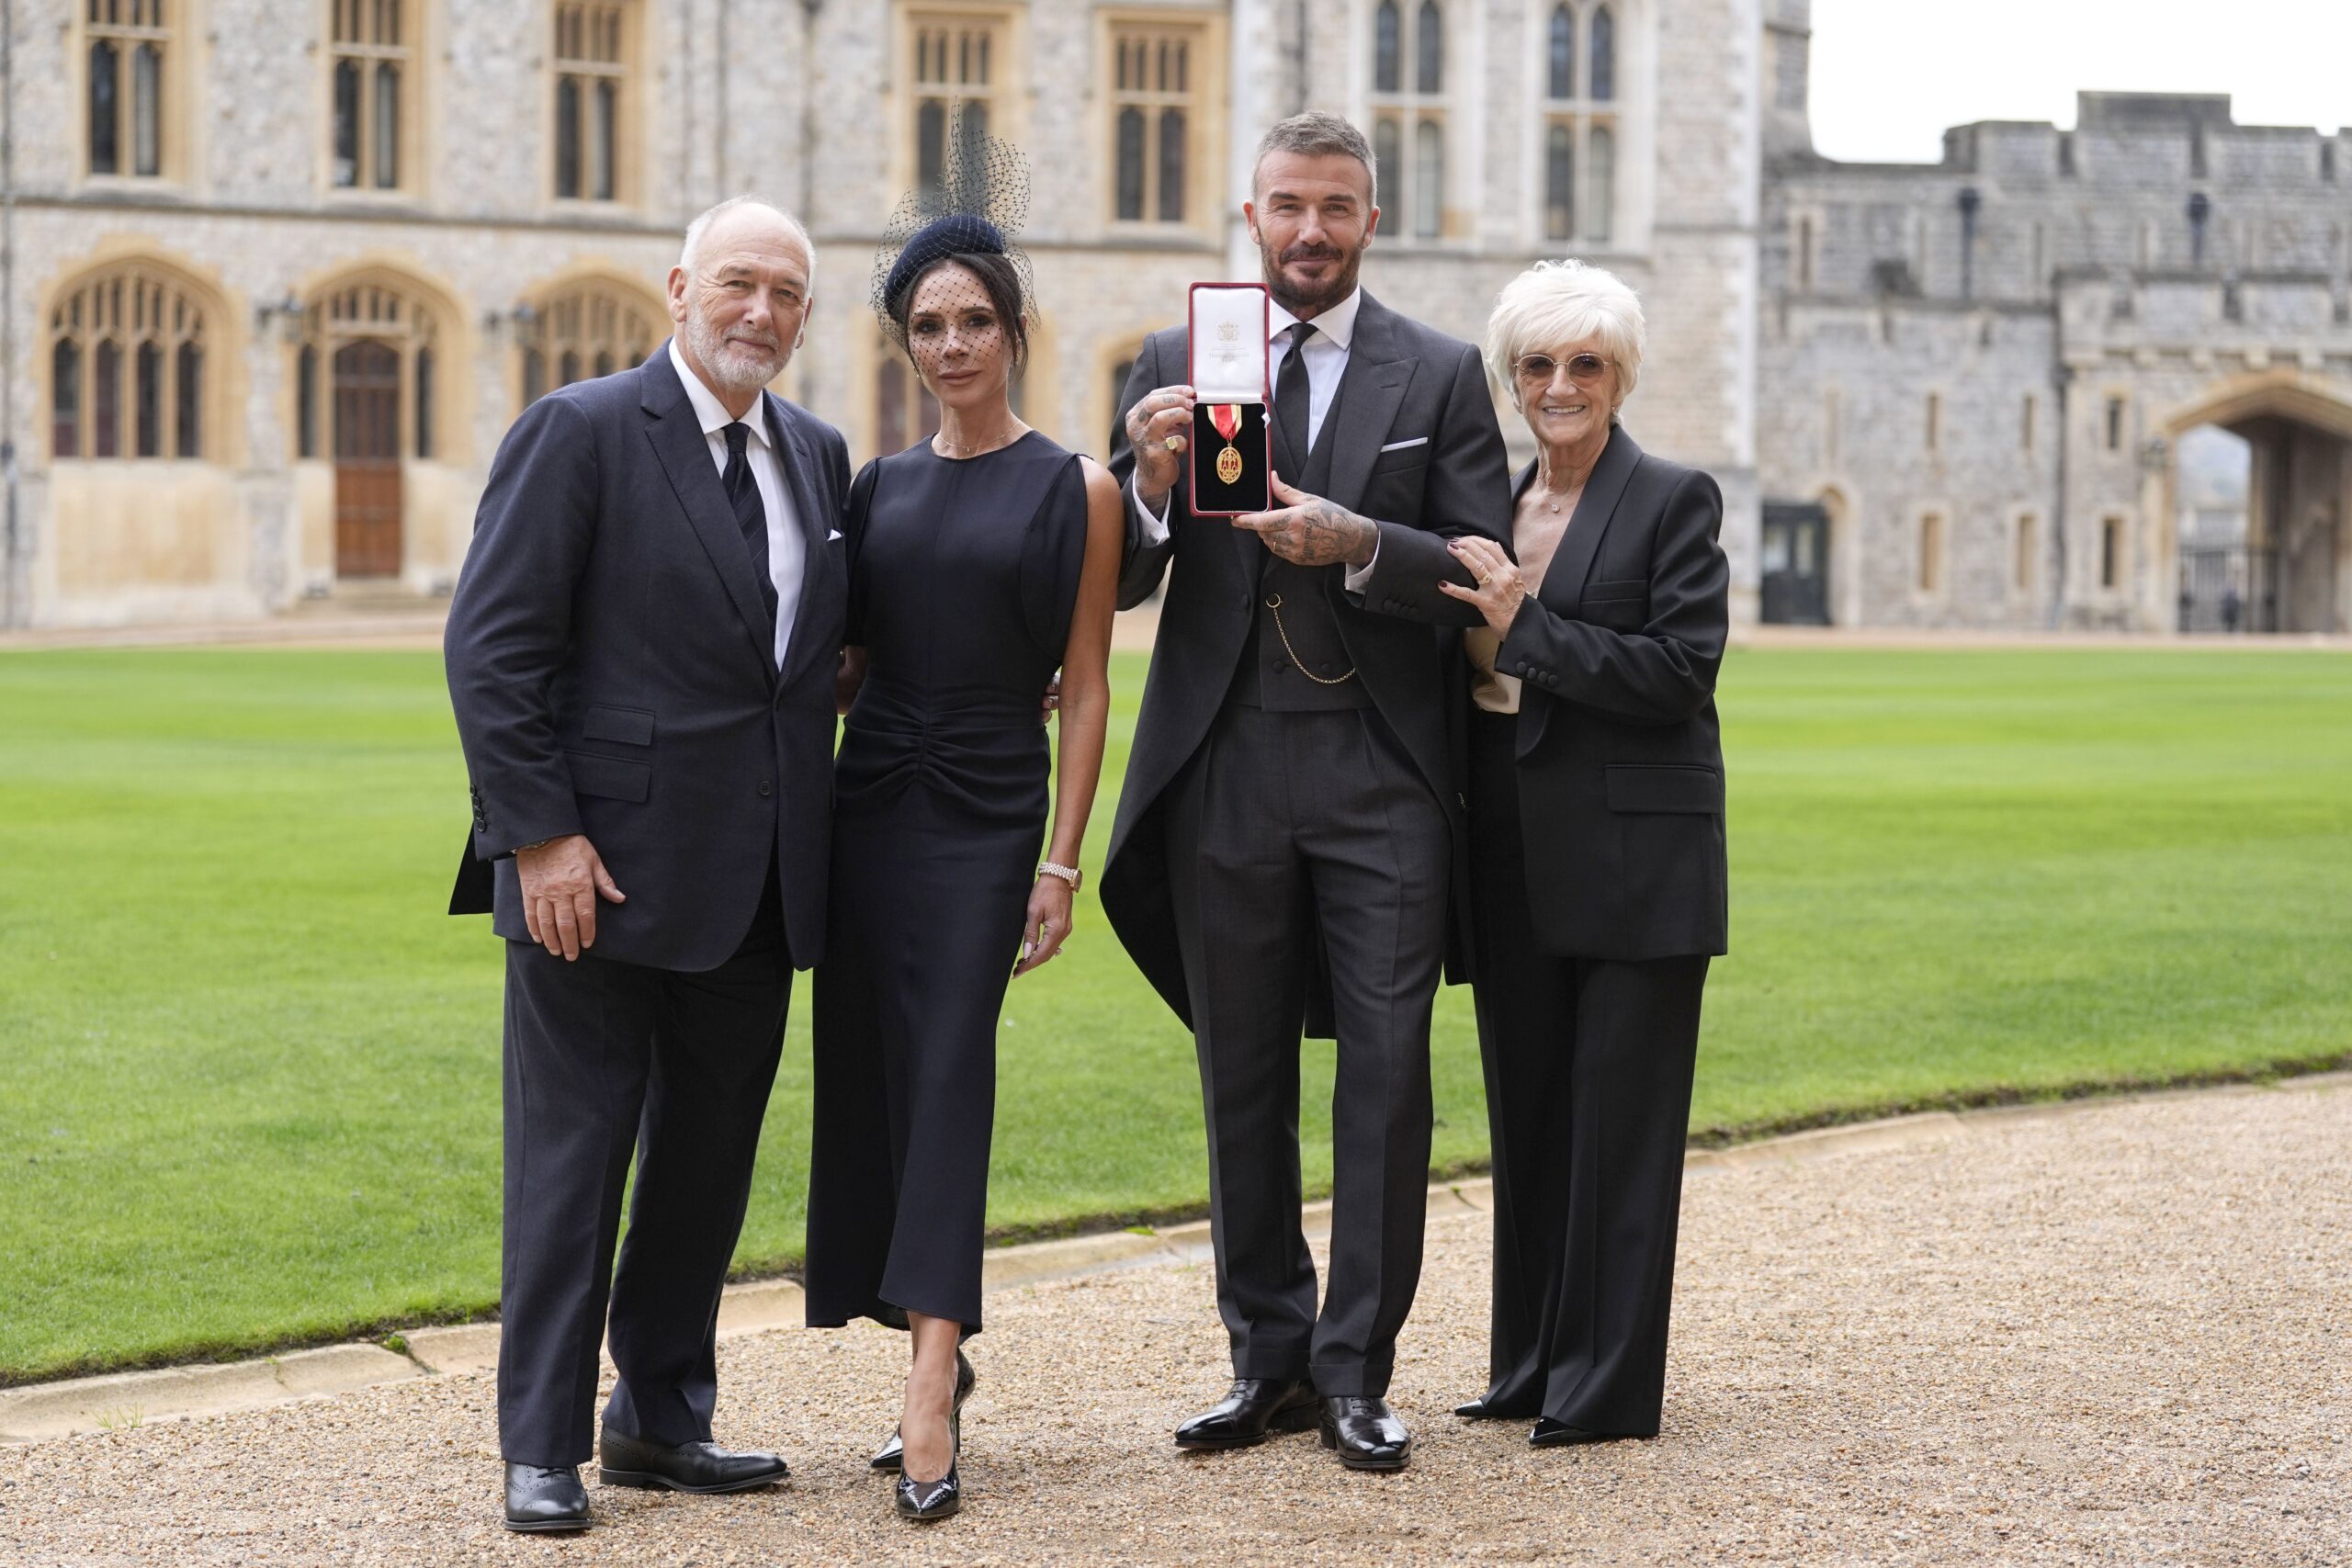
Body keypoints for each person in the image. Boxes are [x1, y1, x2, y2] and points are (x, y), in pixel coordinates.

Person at [1104, 110, 1510, 1472]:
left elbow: (1477, 565)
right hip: (1223, 761)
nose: (1312, 231)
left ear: (1371, 222)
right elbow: (1117, 583)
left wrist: (1361, 544)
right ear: (1252, 215)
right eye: (1288, 206)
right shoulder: (1178, 360)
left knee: (1389, 1080)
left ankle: (1356, 1371)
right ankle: (1265, 1363)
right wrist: (1148, 487)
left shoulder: (1442, 372)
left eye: (1337, 209)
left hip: (1382, 772)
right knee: (1241, 1079)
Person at [444, 197, 849, 1534]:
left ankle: (661, 1420)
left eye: (788, 294)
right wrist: (541, 835)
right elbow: (494, 648)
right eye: (740, 283)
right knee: (573, 1164)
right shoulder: (583, 430)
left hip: (757, 881)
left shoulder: (816, 451)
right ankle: (542, 1445)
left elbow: (799, 665)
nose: (762, 313)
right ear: (679, 288)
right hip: (594, 878)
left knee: (703, 1171)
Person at [802, 142, 1123, 1525]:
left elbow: (1092, 689)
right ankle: (933, 1337)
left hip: (992, 815)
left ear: (1014, 330)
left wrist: (1063, 860)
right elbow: (844, 666)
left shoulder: (1080, 491)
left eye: (973, 321)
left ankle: (930, 1385)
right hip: (870, 807)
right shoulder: (872, 490)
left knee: (951, 1075)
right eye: (927, 326)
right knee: (877, 1078)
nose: (950, 345)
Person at [1428, 260, 1729, 1446]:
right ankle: (1531, 1366)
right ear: (1511, 380)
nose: (1561, 386)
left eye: (1584, 365)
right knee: (1532, 1115)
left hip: (1635, 856)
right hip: (1506, 839)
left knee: (1621, 1127)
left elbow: (1676, 675)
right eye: (1539, 366)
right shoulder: (1495, 505)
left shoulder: (1671, 498)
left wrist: (1526, 624)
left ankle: (1605, 1387)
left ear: (1620, 377)